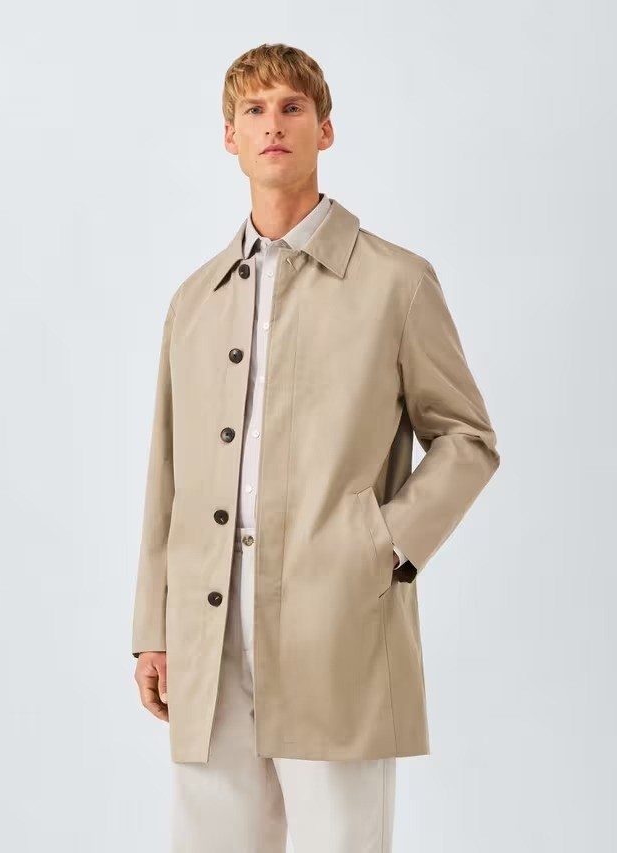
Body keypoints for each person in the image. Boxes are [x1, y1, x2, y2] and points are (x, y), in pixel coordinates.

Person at [132, 42, 500, 853]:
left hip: (336, 625)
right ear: (229, 136)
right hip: (207, 636)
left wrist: (382, 545)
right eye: (254, 110)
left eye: (292, 107)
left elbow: (468, 438)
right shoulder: (194, 300)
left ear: (324, 130)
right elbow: (167, 473)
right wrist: (152, 627)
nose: (273, 124)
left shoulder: (396, 281)